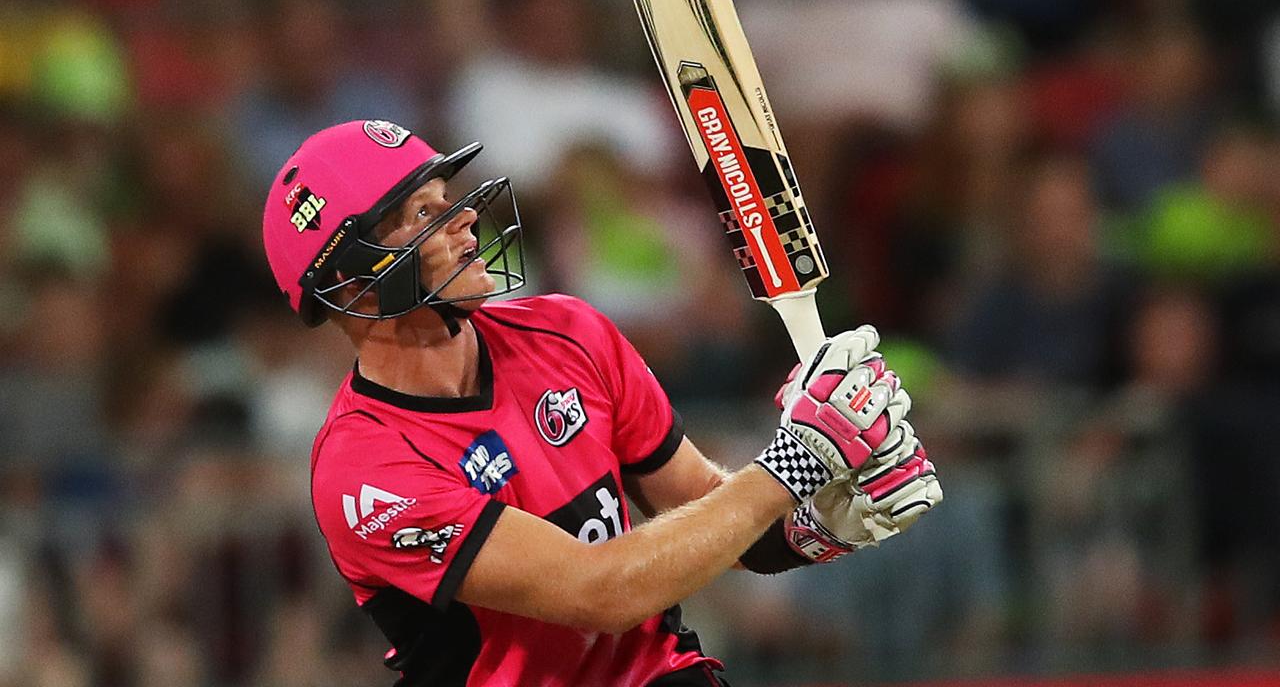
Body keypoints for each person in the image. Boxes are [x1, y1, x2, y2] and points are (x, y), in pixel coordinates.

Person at [259, 120, 943, 686]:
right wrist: (795, 462)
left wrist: (814, 526)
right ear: (354, 280)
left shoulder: (566, 332)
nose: (466, 220)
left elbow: (701, 504)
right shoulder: (366, 471)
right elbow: (600, 592)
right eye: (424, 214)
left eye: (449, 197)